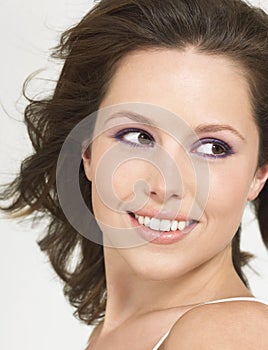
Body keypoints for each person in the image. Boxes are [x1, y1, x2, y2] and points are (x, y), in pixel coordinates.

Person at [1, 0, 268, 349]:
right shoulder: (115, 333)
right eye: (138, 137)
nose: (165, 185)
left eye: (213, 148)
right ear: (87, 150)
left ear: (258, 175)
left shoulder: (227, 335)